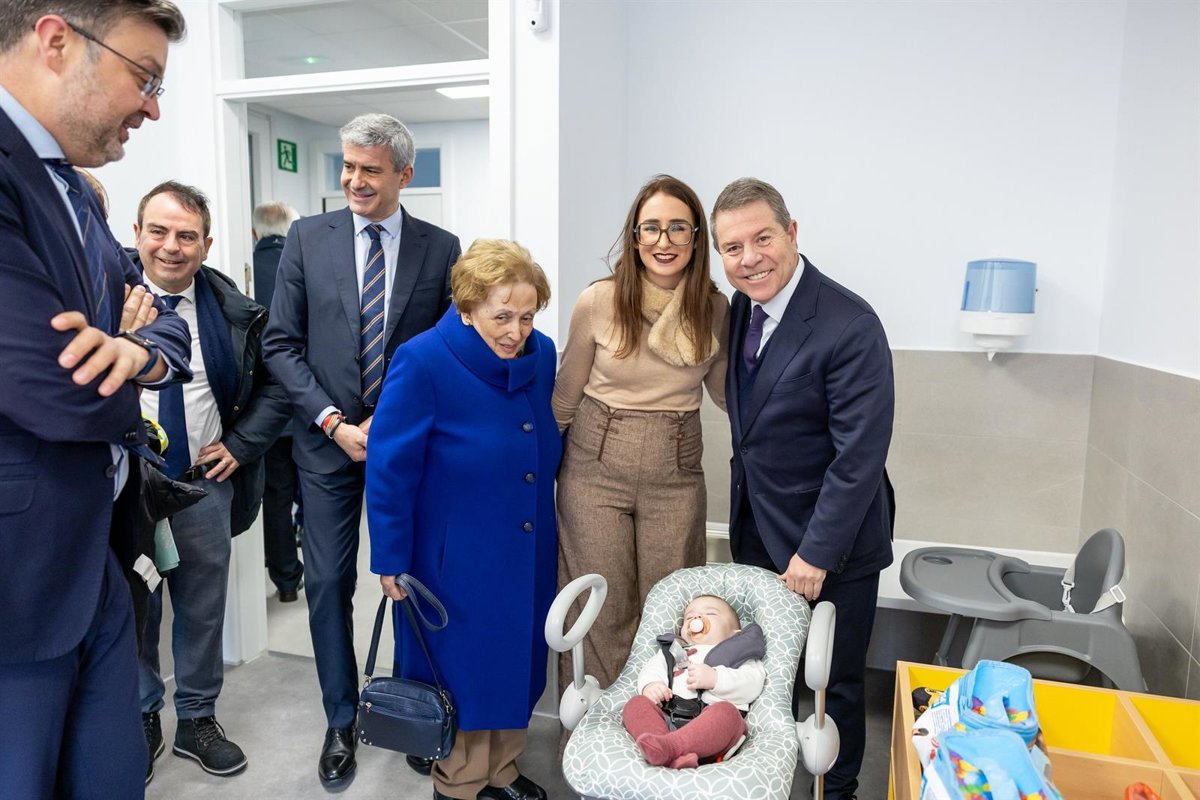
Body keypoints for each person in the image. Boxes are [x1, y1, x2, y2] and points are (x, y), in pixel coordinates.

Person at [0, 3, 190, 797]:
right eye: (143, 79)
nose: (152, 107)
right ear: (56, 42)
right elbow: (54, 388)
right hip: (20, 585)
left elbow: (165, 325)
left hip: (100, 555)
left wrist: (137, 352)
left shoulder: (72, 193)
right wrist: (131, 381)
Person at [262, 112, 461, 788]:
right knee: (325, 585)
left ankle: (411, 709)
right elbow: (280, 343)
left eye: (370, 170)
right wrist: (330, 421)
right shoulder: (306, 238)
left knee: (411, 580)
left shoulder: (441, 248)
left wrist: (393, 425)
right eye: (347, 167)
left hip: (407, 451)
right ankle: (340, 718)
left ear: (404, 174)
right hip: (325, 450)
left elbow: (445, 354)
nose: (353, 180)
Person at [713, 177, 895, 800]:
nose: (749, 258)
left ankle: (835, 793)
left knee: (832, 684)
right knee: (769, 674)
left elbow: (858, 458)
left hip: (830, 544)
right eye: (732, 248)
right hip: (759, 530)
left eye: (762, 238)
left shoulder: (849, 323)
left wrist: (817, 553)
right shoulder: (743, 308)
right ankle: (768, 781)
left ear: (791, 234)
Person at [367, 239, 559, 800]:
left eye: (526, 315)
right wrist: (391, 559)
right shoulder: (423, 360)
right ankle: (459, 784)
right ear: (466, 307)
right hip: (454, 560)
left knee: (518, 663)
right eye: (502, 316)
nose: (515, 330)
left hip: (526, 546)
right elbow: (389, 468)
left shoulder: (541, 352)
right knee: (465, 674)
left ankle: (502, 770)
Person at [132, 181, 290, 783]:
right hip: (129, 486)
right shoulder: (104, 298)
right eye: (159, 231)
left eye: (186, 236)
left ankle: (196, 718)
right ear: (138, 233)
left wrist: (244, 444)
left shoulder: (235, 311)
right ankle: (143, 714)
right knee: (136, 608)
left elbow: (278, 386)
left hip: (201, 484)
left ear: (206, 243)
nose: (171, 247)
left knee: (201, 608)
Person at [552, 174, 729, 704]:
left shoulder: (714, 307)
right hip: (594, 465)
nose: (664, 240)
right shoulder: (599, 301)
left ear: (696, 238)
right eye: (651, 227)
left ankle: (658, 736)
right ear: (633, 236)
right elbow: (565, 396)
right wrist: (532, 475)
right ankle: (589, 739)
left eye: (678, 227)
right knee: (600, 606)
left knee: (673, 609)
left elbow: (727, 396)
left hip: (676, 470)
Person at [622, 594, 766, 769]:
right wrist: (651, 685)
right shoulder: (676, 650)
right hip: (668, 720)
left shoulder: (740, 653)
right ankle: (669, 751)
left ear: (734, 634)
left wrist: (715, 678)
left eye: (711, 614)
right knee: (636, 704)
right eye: (689, 617)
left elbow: (752, 683)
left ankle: (670, 748)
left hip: (713, 730)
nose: (696, 618)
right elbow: (652, 669)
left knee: (726, 713)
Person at [251, 200, 304, 601]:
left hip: (265, 407)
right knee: (317, 490)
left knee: (276, 495)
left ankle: (285, 580)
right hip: (307, 402)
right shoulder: (303, 265)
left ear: (254, 233)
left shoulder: (244, 268)